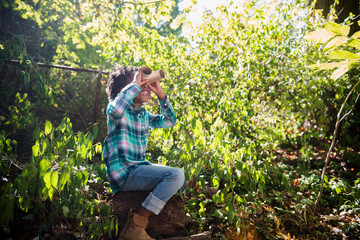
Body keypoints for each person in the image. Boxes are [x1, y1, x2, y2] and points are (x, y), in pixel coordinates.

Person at [103, 65, 187, 240]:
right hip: (124, 173)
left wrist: (161, 95)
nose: (144, 86)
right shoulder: (116, 108)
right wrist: (135, 84)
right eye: (139, 82)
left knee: (183, 180)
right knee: (176, 175)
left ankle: (161, 220)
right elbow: (117, 108)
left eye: (146, 83)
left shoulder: (143, 115)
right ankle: (136, 225)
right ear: (123, 90)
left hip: (137, 170)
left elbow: (170, 121)